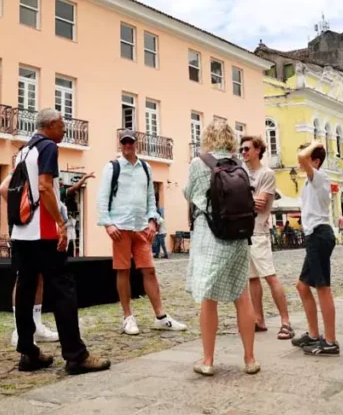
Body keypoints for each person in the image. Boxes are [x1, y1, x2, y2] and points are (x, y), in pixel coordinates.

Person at [9, 108, 110, 374]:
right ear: (51, 125)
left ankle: (28, 352)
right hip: (43, 232)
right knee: (64, 290)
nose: (65, 130)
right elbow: (44, 186)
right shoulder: (48, 148)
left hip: (21, 232)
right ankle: (75, 355)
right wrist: (60, 223)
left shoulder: (23, 151)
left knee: (25, 289)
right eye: (62, 125)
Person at [184, 120, 259, 375]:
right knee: (243, 296)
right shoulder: (240, 166)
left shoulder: (199, 163)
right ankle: (250, 359)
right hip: (238, 238)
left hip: (211, 237)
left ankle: (207, 361)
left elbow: (188, 193)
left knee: (209, 299)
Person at [97, 129, 187, 336]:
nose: (128, 145)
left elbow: (150, 197)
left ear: (136, 144)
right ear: (120, 144)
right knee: (123, 270)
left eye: (131, 142)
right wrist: (108, 224)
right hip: (120, 227)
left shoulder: (145, 167)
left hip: (142, 228)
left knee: (149, 270)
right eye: (124, 142)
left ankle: (161, 317)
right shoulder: (113, 167)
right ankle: (128, 317)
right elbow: (102, 197)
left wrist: (153, 220)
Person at [239, 135, 293, 340]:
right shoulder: (242, 173)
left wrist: (239, 201)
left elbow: (260, 204)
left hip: (259, 232)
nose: (243, 152)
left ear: (258, 150)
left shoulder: (266, 173)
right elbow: (249, 202)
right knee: (252, 278)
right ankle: (259, 319)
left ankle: (285, 321)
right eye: (241, 149)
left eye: (247, 149)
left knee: (270, 276)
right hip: (244, 232)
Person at [291, 139, 339, 356]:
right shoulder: (311, 181)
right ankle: (313, 334)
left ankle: (330, 341)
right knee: (302, 286)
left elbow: (302, 158)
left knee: (323, 288)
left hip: (320, 235)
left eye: (307, 158)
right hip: (314, 235)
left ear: (315, 161)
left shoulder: (319, 177)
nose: (301, 162)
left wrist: (316, 144)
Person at [0, 171, 58, 347]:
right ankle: (20, 328)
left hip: (36, 232)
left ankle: (36, 324)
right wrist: (25, 210)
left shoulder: (35, 171)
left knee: (38, 277)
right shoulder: (21, 171)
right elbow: (3, 189)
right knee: (23, 278)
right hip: (25, 231)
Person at [62, 173, 94, 257]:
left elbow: (75, 188)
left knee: (70, 243)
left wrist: (84, 178)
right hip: (60, 225)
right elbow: (75, 187)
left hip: (65, 224)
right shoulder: (57, 192)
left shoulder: (59, 192)